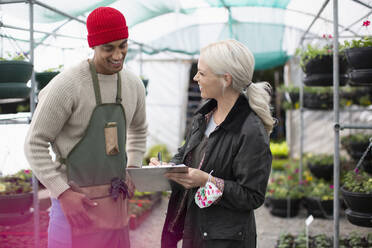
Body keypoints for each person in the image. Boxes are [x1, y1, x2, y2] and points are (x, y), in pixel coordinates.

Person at [24, 6, 147, 248]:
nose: (118, 55)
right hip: (74, 203)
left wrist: (133, 165)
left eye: (123, 45)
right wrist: (62, 193)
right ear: (93, 45)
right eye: (108, 48)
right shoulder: (67, 85)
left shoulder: (133, 85)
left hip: (115, 201)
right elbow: (34, 143)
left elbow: (139, 129)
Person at [150, 39, 274, 248]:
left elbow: (252, 196)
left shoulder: (250, 131)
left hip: (225, 240)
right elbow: (186, 154)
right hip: (196, 228)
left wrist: (207, 181)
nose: (196, 77)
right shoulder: (204, 115)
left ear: (226, 79)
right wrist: (168, 167)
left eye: (202, 73)